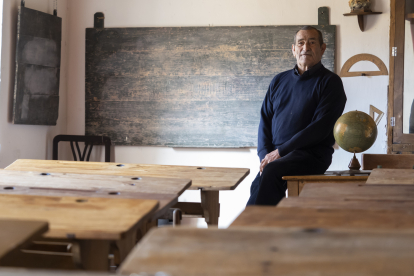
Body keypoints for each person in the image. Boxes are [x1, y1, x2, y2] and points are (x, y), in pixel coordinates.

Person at [247, 26, 347, 206]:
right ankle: (266, 229)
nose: (305, 47)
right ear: (294, 49)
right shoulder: (279, 81)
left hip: (311, 155)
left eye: (312, 42)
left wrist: (278, 153)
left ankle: (251, 230)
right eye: (300, 43)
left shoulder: (331, 82)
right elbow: (265, 121)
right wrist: (265, 156)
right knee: (257, 185)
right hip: (277, 157)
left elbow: (319, 129)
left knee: (270, 174)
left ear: (322, 48)